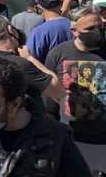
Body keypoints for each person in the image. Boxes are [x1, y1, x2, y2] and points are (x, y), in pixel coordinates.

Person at [44, 10, 106, 172]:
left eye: (100, 26)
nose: (97, 32)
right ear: (74, 31)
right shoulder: (58, 54)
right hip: (74, 141)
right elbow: (49, 102)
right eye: (90, 28)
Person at [0, 15, 64, 116]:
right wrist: (30, 58)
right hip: (28, 127)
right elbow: (58, 91)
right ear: (10, 30)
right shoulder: (20, 64)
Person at [27, 0, 74, 64]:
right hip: (76, 73)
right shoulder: (77, 26)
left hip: (50, 74)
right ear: (61, 4)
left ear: (39, 7)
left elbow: (30, 60)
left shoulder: (38, 32)